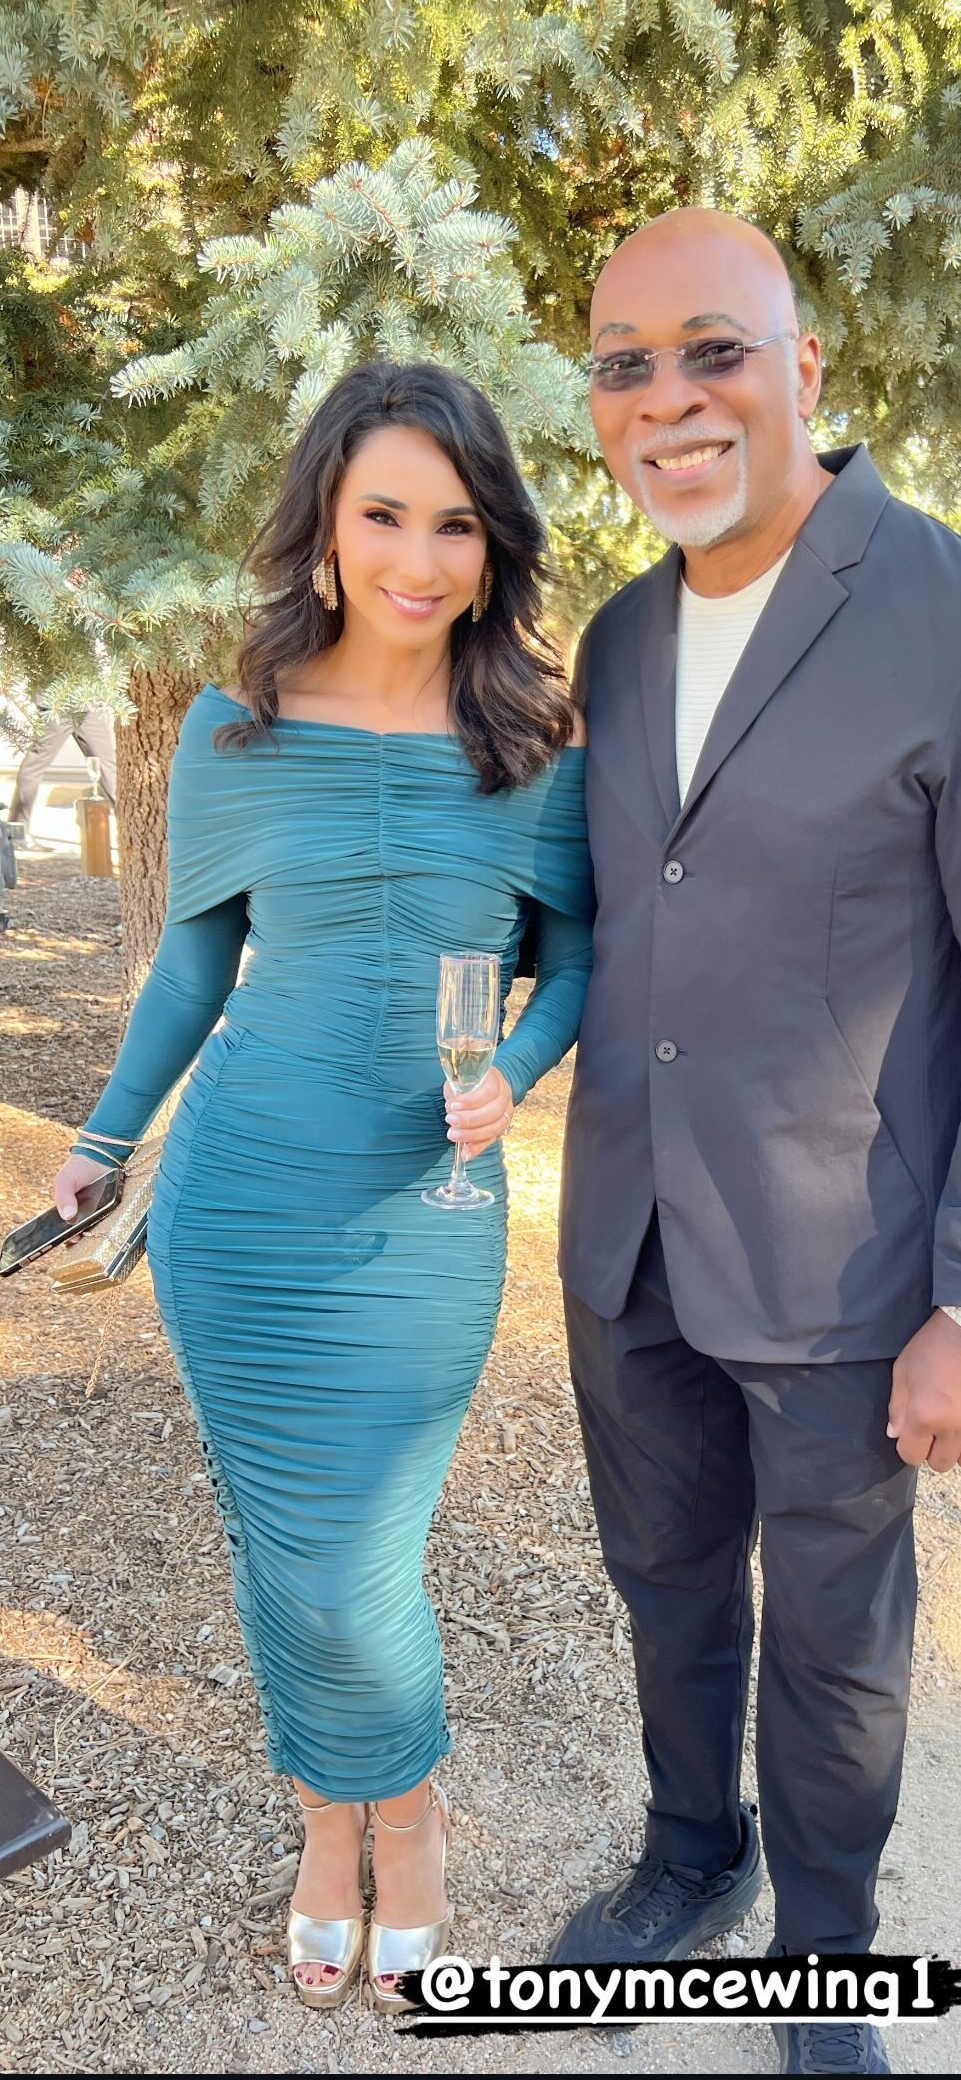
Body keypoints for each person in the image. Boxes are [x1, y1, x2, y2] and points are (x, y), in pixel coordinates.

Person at [51, 362, 593, 2013]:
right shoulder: (234, 729)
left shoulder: (536, 742)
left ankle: (405, 1821)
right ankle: (325, 1831)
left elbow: (575, 959)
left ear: (494, 545)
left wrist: (518, 1066)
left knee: (360, 1561)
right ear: (327, 526)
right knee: (280, 1545)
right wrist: (101, 1141)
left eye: (456, 525)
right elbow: (190, 968)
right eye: (384, 517)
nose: (419, 561)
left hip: (426, 1214)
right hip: (239, 1203)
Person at [552, 207, 961, 2077]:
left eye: (711, 351)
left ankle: (825, 1955)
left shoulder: (938, 608)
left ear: (803, 368)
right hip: (627, 1240)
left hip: (845, 1271)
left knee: (837, 1642)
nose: (669, 400)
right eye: (623, 366)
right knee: (665, 1582)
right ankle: (688, 1850)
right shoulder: (621, 635)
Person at [6, 706, 116, 838]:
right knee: (34, 765)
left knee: (108, 767)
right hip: (56, 706)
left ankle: (130, 828)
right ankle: (17, 835)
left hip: (89, 704)